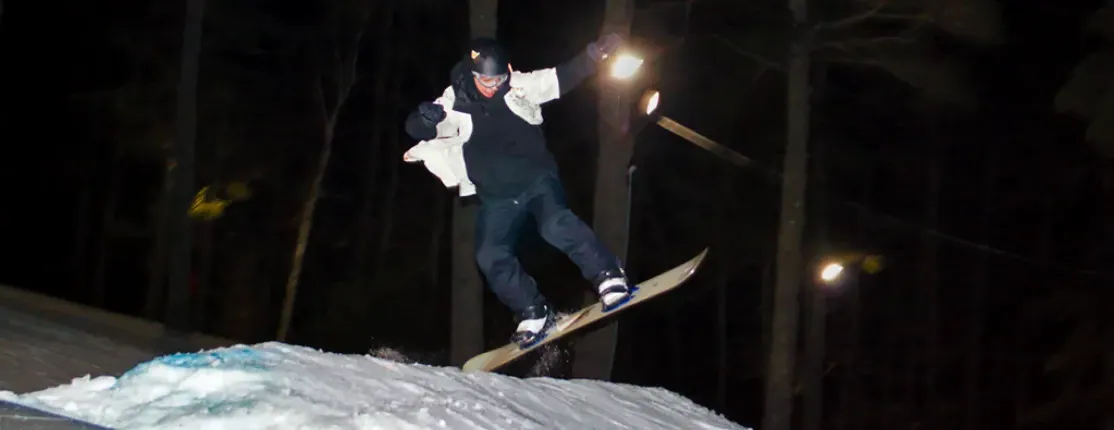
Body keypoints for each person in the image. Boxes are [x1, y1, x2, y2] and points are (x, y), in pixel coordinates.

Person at [402, 34, 630, 348]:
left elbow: (562, 77)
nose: (492, 86)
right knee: (489, 254)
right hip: (496, 198)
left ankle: (608, 273)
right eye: (484, 80)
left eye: (498, 79)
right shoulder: (452, 100)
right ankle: (533, 310)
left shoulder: (521, 86)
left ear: (507, 71)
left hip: (537, 182)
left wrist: (594, 54)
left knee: (555, 224)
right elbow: (416, 128)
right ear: (471, 73)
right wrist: (425, 118)